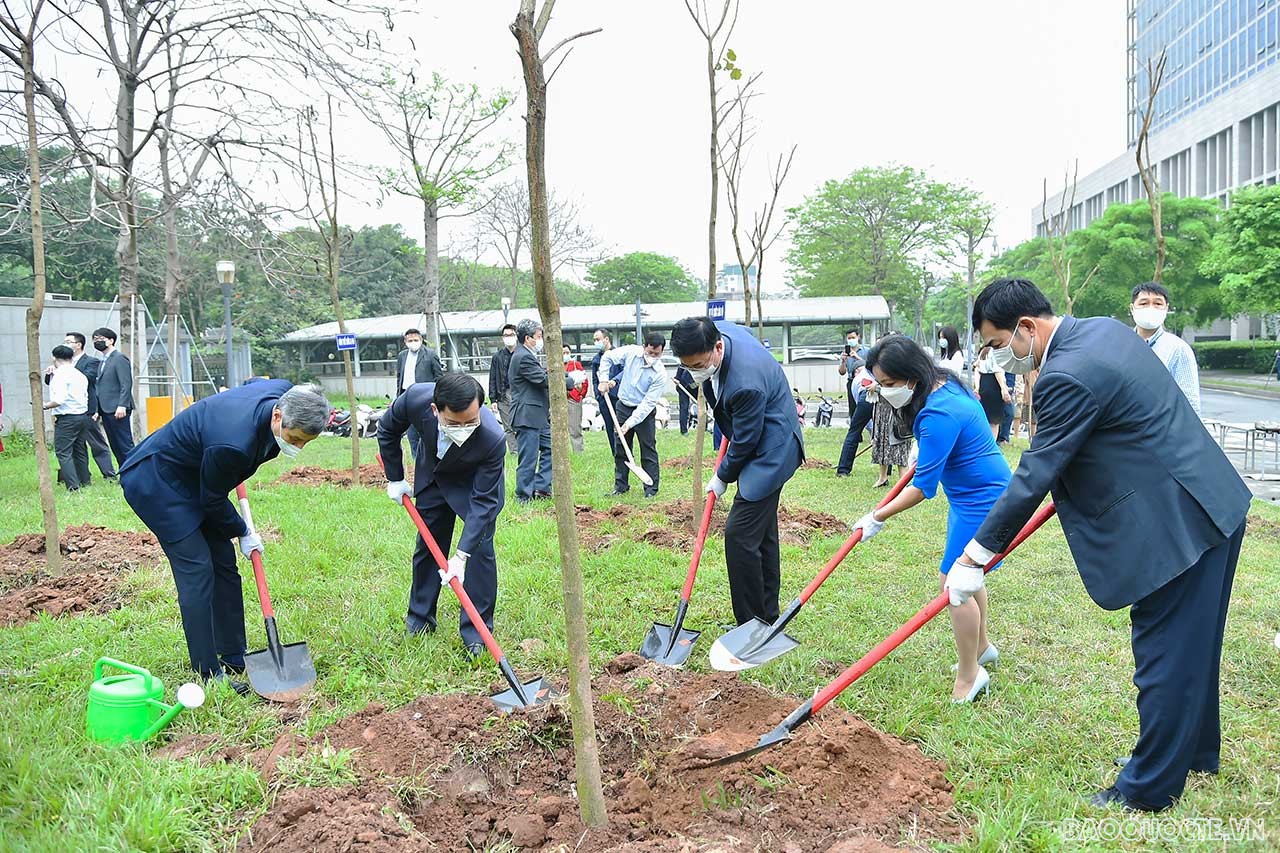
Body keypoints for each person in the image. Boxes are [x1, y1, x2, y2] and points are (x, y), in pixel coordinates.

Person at [949, 278, 1251, 812]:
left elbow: (1037, 468)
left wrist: (974, 556)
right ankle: (1198, 753)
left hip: (1179, 521)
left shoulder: (1066, 371)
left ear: (1025, 328)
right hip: (1213, 500)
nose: (1000, 357)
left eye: (999, 344)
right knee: (1194, 646)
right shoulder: (1103, 332)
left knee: (1163, 653)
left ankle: (1148, 788)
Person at [119, 382, 330, 690]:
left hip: (199, 475)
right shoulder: (233, 443)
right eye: (294, 438)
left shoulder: (287, 395)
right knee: (198, 569)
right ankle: (208, 672)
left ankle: (233, 654)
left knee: (224, 564)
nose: (297, 447)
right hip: (157, 482)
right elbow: (213, 500)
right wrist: (242, 530)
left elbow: (253, 388)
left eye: (306, 442)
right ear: (276, 416)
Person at [851, 336, 1011, 702]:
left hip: (983, 499)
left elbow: (923, 489)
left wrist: (878, 516)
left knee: (954, 585)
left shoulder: (937, 413)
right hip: (970, 495)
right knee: (968, 575)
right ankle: (982, 647)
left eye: (890, 384)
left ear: (912, 377)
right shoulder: (946, 385)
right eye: (881, 384)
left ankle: (971, 675)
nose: (886, 391)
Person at [670, 317, 804, 626]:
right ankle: (766, 615)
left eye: (700, 365)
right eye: (688, 367)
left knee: (740, 535)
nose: (695, 372)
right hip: (760, 431)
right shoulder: (720, 330)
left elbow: (745, 442)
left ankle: (751, 622)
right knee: (762, 533)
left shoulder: (744, 384)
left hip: (774, 449)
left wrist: (722, 477)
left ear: (718, 347)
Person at [379, 374, 506, 653]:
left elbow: (484, 502)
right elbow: (387, 429)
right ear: (435, 410)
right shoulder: (415, 399)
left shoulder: (493, 439)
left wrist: (461, 556)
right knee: (429, 545)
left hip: (474, 485)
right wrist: (395, 477)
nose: (463, 428)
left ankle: (477, 634)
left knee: (480, 551)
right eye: (453, 423)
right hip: (434, 476)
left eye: (470, 422)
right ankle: (420, 620)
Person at [509, 319, 573, 504]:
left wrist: (565, 375)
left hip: (537, 416)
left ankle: (542, 488)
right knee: (528, 458)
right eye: (538, 337)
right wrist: (569, 381)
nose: (541, 340)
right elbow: (543, 380)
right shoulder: (523, 357)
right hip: (527, 416)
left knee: (552, 448)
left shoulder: (526, 355)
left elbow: (544, 374)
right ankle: (524, 495)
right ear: (528, 338)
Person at [598, 332, 668, 497]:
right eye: (650, 353)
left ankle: (651, 489)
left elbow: (648, 403)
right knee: (621, 447)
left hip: (644, 413)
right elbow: (608, 357)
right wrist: (603, 379)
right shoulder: (631, 352)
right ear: (645, 347)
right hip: (623, 406)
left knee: (648, 448)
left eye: (656, 354)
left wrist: (629, 423)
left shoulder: (660, 373)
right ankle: (621, 487)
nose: (652, 356)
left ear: (662, 352)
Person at [44, 332, 117, 482]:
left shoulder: (89, 362)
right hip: (77, 412)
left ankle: (106, 474)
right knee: (79, 449)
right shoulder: (64, 371)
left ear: (78, 345)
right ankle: (83, 480)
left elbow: (92, 385)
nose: (66, 343)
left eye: (69, 341)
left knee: (94, 445)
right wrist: (53, 372)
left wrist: (61, 370)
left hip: (83, 412)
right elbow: (50, 383)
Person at [1131, 282, 1201, 415]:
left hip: (1161, 430)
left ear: (1166, 308)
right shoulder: (1122, 344)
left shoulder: (1178, 349)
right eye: (1143, 303)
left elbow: (1189, 402)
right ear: (1132, 308)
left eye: (1157, 303)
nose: (1150, 308)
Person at [43, 345, 92, 491]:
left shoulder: (60, 375)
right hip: (82, 415)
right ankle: (85, 481)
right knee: (80, 450)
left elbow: (59, 400)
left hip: (67, 418)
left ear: (54, 357)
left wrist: (44, 405)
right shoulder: (79, 374)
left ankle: (72, 486)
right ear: (71, 357)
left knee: (63, 452)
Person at [395, 328, 446, 457]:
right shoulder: (402, 356)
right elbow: (399, 377)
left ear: (421, 340)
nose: (413, 342)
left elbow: (439, 377)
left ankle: (431, 459)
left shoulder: (430, 354)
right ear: (405, 341)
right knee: (412, 434)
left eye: (415, 340)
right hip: (407, 396)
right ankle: (416, 461)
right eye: (410, 340)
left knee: (427, 431)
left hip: (426, 397)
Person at [92, 327, 135, 466]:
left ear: (111, 340)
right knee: (115, 444)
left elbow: (126, 384)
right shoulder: (103, 361)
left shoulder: (119, 358)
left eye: (101, 339)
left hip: (118, 409)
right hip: (106, 409)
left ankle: (134, 470)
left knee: (124, 443)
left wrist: (122, 405)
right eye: (95, 339)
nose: (97, 342)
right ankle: (123, 470)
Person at [835, 362, 875, 476]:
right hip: (871, 395)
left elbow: (861, 410)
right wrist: (873, 430)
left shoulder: (855, 382)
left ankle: (843, 470)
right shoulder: (866, 375)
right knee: (884, 433)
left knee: (854, 432)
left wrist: (872, 430)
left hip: (869, 395)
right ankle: (886, 471)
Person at [487, 324, 520, 454]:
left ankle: (524, 450)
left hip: (520, 393)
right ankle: (514, 451)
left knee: (521, 425)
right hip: (503, 394)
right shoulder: (498, 357)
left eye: (511, 335)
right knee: (508, 426)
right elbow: (492, 378)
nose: (508, 338)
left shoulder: (522, 353)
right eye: (506, 335)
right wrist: (493, 399)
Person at [589, 329, 619, 455]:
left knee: (620, 425)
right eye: (594, 340)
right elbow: (595, 379)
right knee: (609, 426)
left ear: (606, 339)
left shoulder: (618, 355)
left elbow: (623, 374)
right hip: (603, 398)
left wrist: (614, 383)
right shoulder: (596, 359)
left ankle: (624, 451)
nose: (596, 342)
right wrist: (598, 394)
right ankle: (615, 453)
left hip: (618, 397)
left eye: (598, 339)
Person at [971, 345, 1010, 441]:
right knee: (994, 421)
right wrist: (1003, 388)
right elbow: (998, 371)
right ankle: (992, 443)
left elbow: (977, 369)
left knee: (985, 417)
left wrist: (977, 387)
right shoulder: (997, 352)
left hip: (984, 384)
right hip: (994, 385)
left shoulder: (984, 351)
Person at [562, 344, 589, 453]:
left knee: (575, 428)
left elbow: (585, 381)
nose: (565, 355)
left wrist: (579, 394)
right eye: (563, 353)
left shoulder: (576, 364)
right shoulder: (554, 365)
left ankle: (578, 452)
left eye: (567, 352)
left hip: (574, 399)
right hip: (560, 400)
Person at [1010, 369, 1038, 441]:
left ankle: (1032, 437)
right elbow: (1032, 383)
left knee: (1033, 419)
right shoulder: (1029, 371)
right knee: (1019, 415)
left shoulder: (1035, 371)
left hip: (1032, 398)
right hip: (1027, 397)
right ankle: (1018, 435)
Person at [674, 366, 699, 435]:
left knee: (703, 406)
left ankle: (703, 428)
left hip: (696, 386)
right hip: (683, 387)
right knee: (684, 408)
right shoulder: (686, 362)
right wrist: (677, 379)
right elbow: (678, 376)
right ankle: (684, 431)